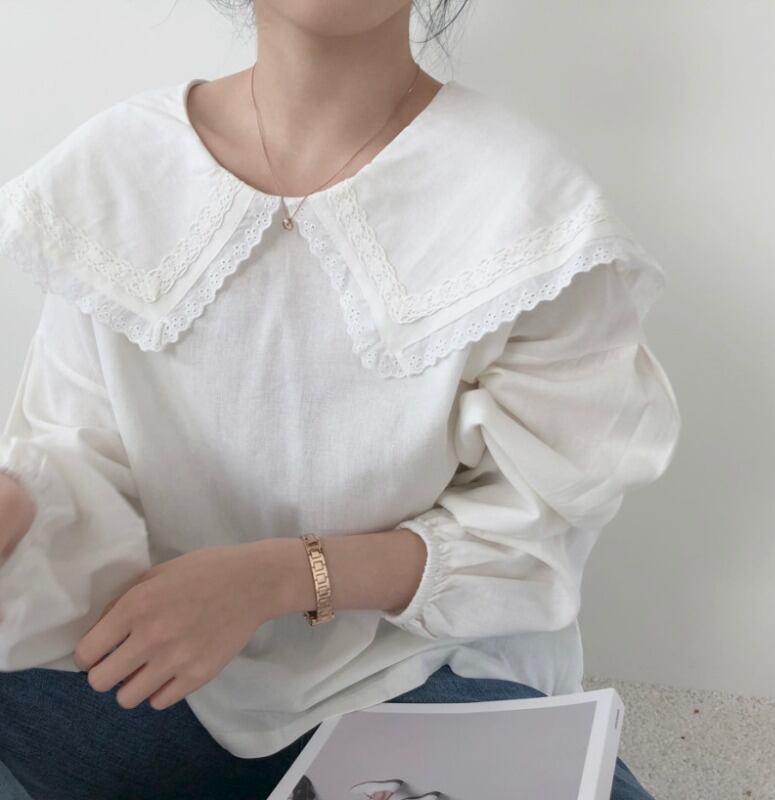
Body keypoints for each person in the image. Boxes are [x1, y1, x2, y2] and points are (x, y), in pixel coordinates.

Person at [0, 1, 680, 798]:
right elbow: (81, 467)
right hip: (156, 676)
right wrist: (20, 511)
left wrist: (273, 580)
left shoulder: (531, 213)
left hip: (417, 679)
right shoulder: (116, 171)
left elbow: (533, 543)